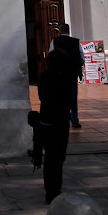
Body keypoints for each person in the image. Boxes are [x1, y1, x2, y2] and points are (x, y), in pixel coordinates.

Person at [38, 48, 72, 204]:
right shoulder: (65, 79)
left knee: (50, 158)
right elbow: (71, 101)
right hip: (60, 122)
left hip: (46, 120)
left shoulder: (43, 77)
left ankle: (49, 191)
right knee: (59, 158)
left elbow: (41, 96)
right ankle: (55, 189)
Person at [50, 23, 85, 128]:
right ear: (69, 31)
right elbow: (82, 58)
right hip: (72, 74)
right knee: (73, 97)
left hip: (59, 74)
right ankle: (74, 120)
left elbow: (50, 56)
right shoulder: (76, 42)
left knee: (59, 97)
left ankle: (60, 118)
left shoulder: (55, 41)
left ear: (60, 31)